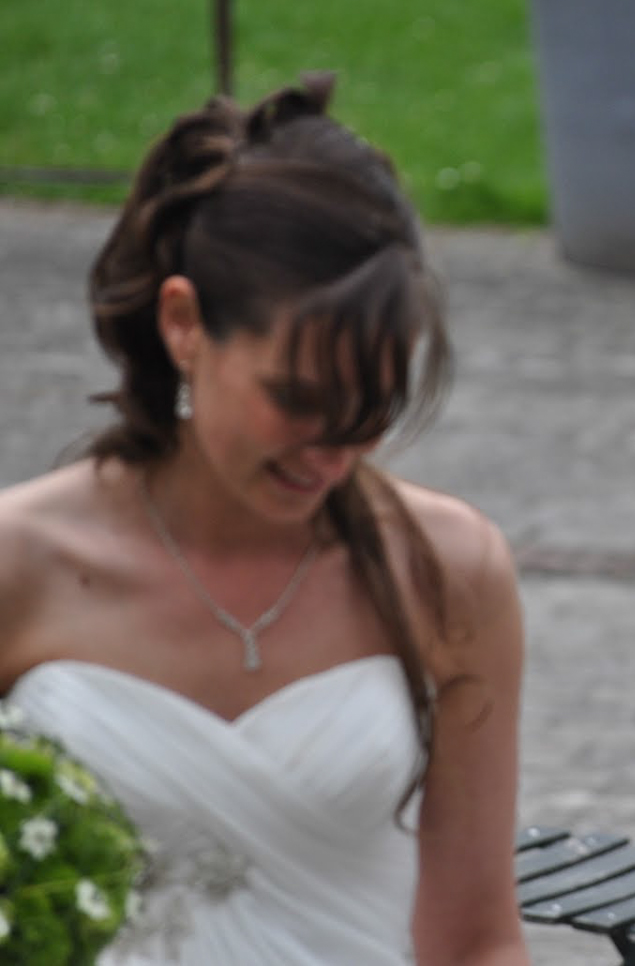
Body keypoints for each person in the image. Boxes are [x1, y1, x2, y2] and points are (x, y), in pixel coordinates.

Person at [0, 75, 530, 965]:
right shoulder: (22, 560)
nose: (332, 453)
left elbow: (478, 940)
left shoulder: (448, 568)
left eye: (371, 411)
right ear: (184, 324)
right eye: (298, 398)